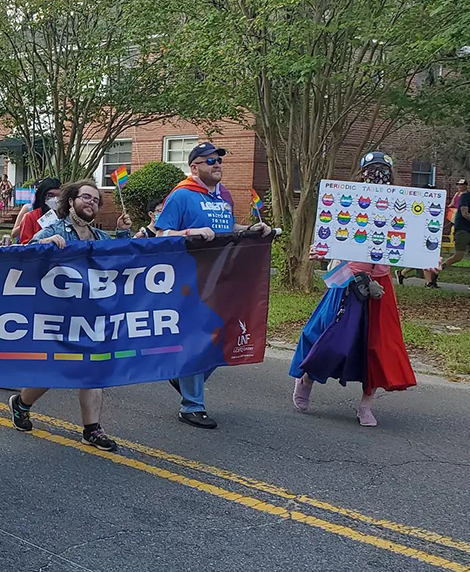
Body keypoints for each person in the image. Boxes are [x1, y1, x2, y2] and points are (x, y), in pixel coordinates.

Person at [290, 152, 434, 427]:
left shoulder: (402, 205)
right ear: (362, 173)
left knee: (378, 347)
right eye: (372, 170)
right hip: (348, 279)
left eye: (382, 170)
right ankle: (306, 378)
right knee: (328, 338)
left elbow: (417, 240)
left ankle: (366, 403)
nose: (377, 175)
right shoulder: (351, 199)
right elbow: (330, 235)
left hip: (381, 285)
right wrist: (318, 250)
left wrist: (429, 257)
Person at [9, 180, 132, 452]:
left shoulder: (100, 238)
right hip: (59, 315)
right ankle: (22, 403)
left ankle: (92, 429)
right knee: (58, 370)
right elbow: (23, 254)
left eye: (96, 200)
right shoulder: (53, 228)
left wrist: (124, 234)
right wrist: (45, 244)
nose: (91, 203)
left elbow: (122, 261)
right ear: (71, 200)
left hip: (92, 316)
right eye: (85, 197)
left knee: (94, 368)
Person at [155, 142, 272, 430]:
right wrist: (189, 232)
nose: (217, 164)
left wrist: (250, 231)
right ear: (194, 167)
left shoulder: (225, 197)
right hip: (190, 280)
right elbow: (160, 234)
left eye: (219, 160)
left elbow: (226, 230)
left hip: (223, 278)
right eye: (209, 161)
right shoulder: (182, 195)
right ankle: (192, 406)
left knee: (228, 335)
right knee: (200, 338)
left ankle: (184, 376)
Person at [425, 177, 470, 288]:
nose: (459, 186)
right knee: (458, 256)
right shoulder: (464, 196)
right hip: (463, 230)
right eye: (459, 185)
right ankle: (437, 271)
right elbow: (465, 213)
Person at [17, 178, 61, 244]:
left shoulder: (66, 216)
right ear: (42, 196)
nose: (55, 199)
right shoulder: (30, 217)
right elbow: (25, 245)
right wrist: (42, 242)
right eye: (50, 195)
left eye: (59, 196)